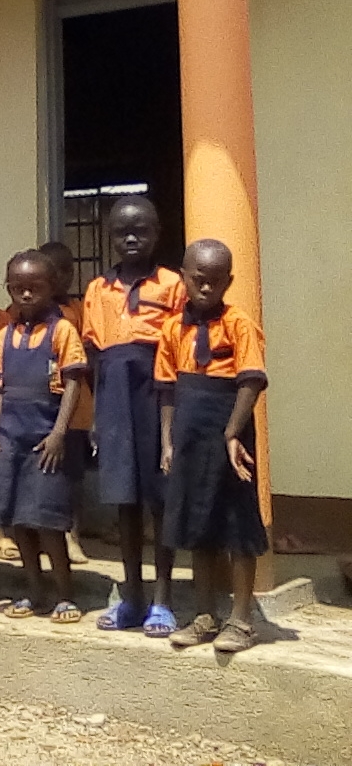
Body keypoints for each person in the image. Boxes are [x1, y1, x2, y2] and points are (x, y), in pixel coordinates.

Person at [159, 239, 268, 654]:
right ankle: (205, 615)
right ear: (184, 277)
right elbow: (166, 388)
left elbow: (252, 379)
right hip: (189, 432)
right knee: (198, 523)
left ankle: (241, 620)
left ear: (229, 282)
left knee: (237, 523)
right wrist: (167, 442)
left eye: (216, 282)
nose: (206, 289)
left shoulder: (239, 323)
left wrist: (232, 432)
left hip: (231, 435)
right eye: (198, 280)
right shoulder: (173, 328)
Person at [84, 195, 185, 637]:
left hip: (159, 395)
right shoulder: (97, 290)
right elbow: (92, 352)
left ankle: (163, 599)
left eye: (141, 230)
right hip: (114, 398)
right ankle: (132, 596)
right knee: (124, 500)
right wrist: (100, 413)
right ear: (110, 237)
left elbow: (181, 345)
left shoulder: (173, 284)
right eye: (123, 231)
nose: (131, 238)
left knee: (161, 499)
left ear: (157, 234)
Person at [0, 251, 88, 623]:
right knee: (19, 520)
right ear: (9, 290)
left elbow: (74, 382)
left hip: (46, 441)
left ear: (51, 288)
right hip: (11, 438)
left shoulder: (62, 331)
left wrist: (59, 433)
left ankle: (64, 594)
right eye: (19, 289)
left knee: (47, 521)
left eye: (35, 288)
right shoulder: (4, 337)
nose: (27, 295)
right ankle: (33, 591)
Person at [39, 239, 91, 566]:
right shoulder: (22, 312)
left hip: (76, 408)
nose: (61, 276)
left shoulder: (78, 310)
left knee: (72, 475)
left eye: (67, 270)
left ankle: (73, 535)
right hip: (39, 408)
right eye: (53, 270)